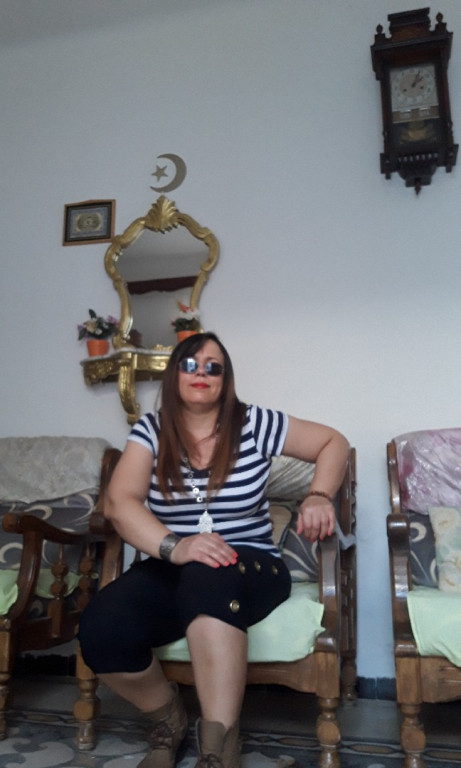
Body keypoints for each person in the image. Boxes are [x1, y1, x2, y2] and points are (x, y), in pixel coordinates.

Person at [78, 331, 349, 768]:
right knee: (102, 624)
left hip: (250, 565)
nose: (201, 372)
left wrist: (319, 495)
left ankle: (219, 750)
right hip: (174, 561)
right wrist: (175, 546)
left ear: (225, 379)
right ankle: (168, 720)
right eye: (190, 364)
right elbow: (119, 502)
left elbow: (332, 441)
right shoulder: (150, 431)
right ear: (174, 375)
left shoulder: (253, 423)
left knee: (210, 571)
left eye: (213, 367)